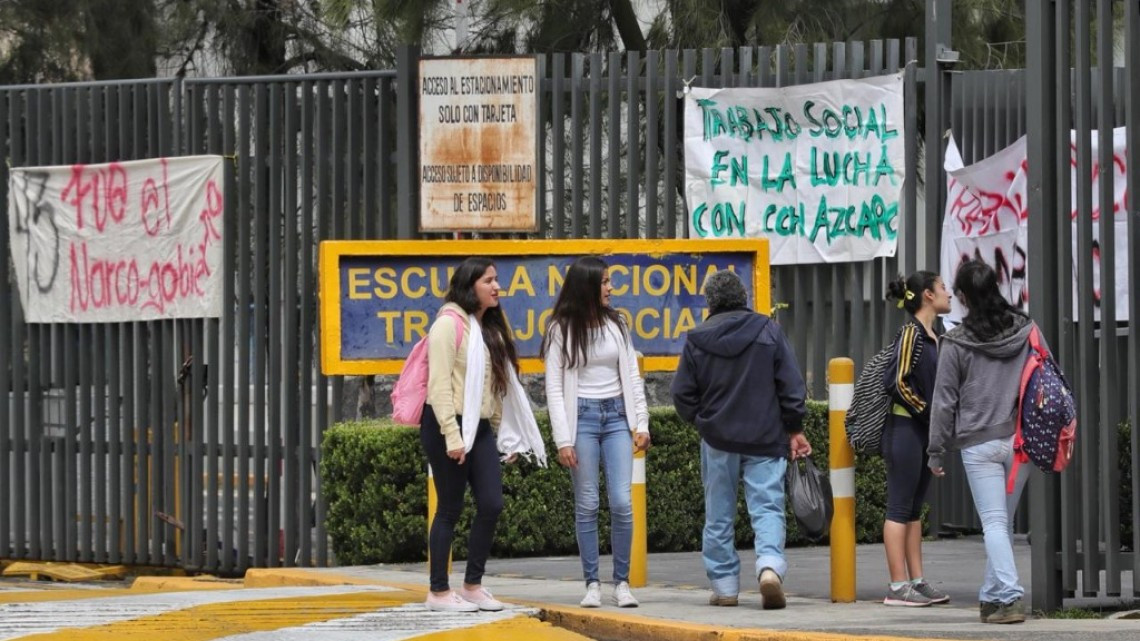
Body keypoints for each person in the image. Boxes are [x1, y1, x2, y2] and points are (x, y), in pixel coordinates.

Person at [671, 269, 811, 610]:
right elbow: (791, 388)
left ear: (710, 302)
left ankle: (725, 587)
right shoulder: (769, 330)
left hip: (718, 441)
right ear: (743, 297)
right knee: (767, 508)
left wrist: (704, 422)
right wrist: (793, 428)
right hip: (765, 438)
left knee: (718, 515)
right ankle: (769, 568)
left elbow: (681, 395)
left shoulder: (696, 339)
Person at [928, 260, 1039, 624]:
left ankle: (1009, 595)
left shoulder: (956, 342)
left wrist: (935, 450)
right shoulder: (1026, 329)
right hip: (1020, 442)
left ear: (962, 296)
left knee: (993, 522)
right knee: (1002, 522)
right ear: (996, 286)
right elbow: (1047, 373)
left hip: (980, 444)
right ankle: (992, 597)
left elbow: (944, 400)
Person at [543, 256, 651, 609]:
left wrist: (642, 423)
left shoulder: (617, 323)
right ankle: (592, 583)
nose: (610, 288)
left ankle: (621, 582)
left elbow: (632, 376)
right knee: (587, 503)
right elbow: (554, 388)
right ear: (588, 285)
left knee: (621, 502)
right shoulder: (561, 328)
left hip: (617, 416)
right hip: (582, 420)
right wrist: (563, 439)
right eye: (605, 282)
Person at [421, 256, 521, 613]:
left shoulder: (487, 328)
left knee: (492, 503)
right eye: (488, 281)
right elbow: (439, 386)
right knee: (450, 508)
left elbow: (492, 389)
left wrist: (496, 435)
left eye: (496, 279)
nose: (496, 286)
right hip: (447, 424)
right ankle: (438, 592)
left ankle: (472, 585)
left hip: (477, 428)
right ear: (469, 286)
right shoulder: (448, 325)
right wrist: (452, 435)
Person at [879, 271, 953, 607]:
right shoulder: (911, 333)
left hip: (923, 430)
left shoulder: (936, 336)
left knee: (913, 510)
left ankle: (917, 581)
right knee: (898, 507)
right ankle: (897, 586)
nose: (948, 293)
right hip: (906, 427)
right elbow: (896, 381)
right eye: (942, 288)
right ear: (927, 295)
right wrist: (927, 412)